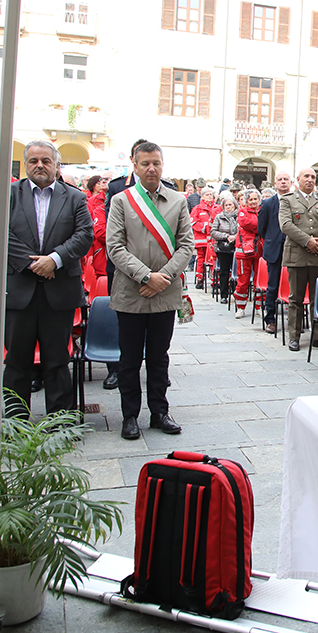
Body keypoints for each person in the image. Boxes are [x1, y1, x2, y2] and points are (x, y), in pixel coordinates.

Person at [105, 141, 194, 440]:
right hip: (131, 292)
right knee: (128, 359)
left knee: (159, 356)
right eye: (145, 163)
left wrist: (162, 277)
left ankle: (159, 412)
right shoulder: (121, 200)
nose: (151, 168)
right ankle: (130, 415)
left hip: (166, 292)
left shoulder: (177, 200)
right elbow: (114, 247)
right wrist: (146, 277)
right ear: (135, 165)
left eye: (156, 163)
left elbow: (187, 245)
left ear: (162, 165)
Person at [0, 142, 93, 418]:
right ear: (25, 164)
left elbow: (84, 235)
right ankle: (16, 420)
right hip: (19, 290)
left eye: (45, 161)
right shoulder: (10, 194)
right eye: (33, 161)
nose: (39, 165)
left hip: (59, 290)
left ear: (56, 165)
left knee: (56, 360)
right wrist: (36, 265)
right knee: (16, 361)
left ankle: (60, 419)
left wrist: (54, 259)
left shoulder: (74, 198)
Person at [279, 168, 318, 351]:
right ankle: (294, 336)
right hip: (298, 256)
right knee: (296, 298)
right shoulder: (288, 200)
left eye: (313, 177)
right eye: (306, 177)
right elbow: (286, 225)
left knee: (317, 299)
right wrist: (307, 241)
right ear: (298, 179)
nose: (310, 180)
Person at [257, 170, 291, 333]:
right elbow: (261, 228)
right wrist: (273, 239)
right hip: (274, 250)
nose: (283, 182)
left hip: (293, 250)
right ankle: (270, 319)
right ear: (275, 183)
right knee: (272, 286)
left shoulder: (295, 201)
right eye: (280, 179)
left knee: (294, 287)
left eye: (286, 179)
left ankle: (294, 322)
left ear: (291, 183)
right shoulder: (268, 203)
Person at [233, 189, 261, 317]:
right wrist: (259, 226)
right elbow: (246, 223)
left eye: (255, 199)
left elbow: (257, 225)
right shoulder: (242, 212)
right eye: (251, 199)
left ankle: (259, 306)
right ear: (246, 201)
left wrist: (256, 226)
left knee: (260, 281)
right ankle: (240, 306)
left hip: (260, 251)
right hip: (244, 252)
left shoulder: (262, 211)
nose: (253, 201)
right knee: (243, 280)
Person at [211, 194, 238, 303]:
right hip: (224, 247)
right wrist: (226, 236)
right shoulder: (219, 217)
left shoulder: (239, 216)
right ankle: (224, 295)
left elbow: (242, 229)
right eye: (226, 205)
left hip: (237, 246)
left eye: (230, 205)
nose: (228, 207)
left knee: (237, 271)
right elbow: (213, 232)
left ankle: (237, 293)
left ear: (234, 205)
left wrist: (235, 237)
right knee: (224, 271)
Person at [190, 190, 217, 287]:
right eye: (207, 195)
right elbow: (193, 223)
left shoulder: (216, 208)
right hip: (202, 240)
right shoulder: (197, 209)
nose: (210, 196)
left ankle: (214, 280)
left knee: (213, 259)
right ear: (202, 197)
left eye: (211, 194)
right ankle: (200, 278)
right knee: (201, 259)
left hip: (213, 240)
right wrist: (205, 228)